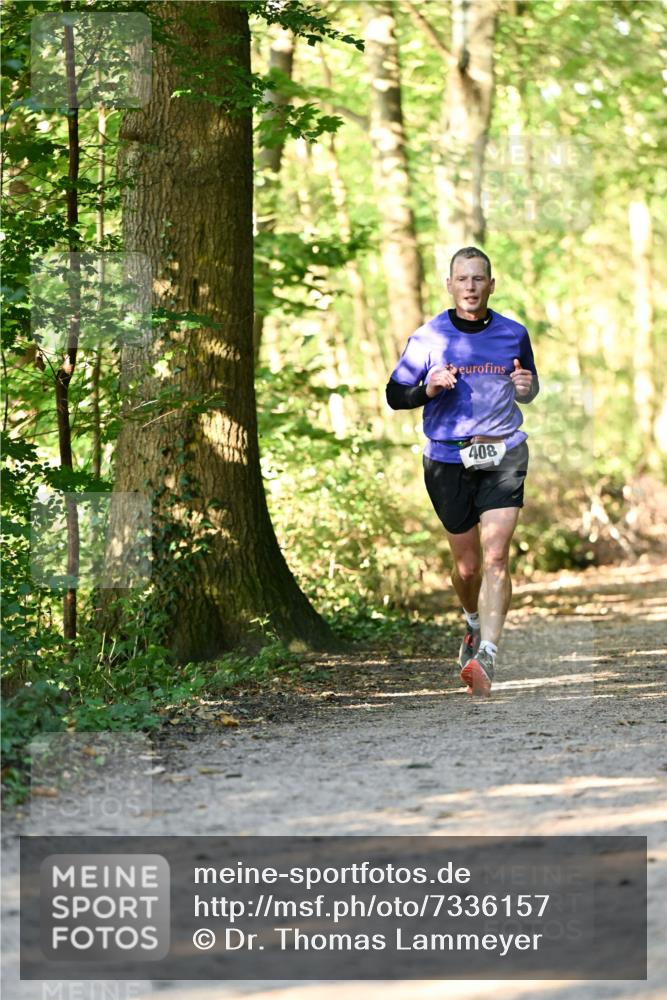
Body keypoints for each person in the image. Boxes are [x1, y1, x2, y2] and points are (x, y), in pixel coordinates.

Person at [386, 247, 539, 696]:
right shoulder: (428, 337)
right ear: (449, 285)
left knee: (496, 556)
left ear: (492, 285)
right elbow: (395, 395)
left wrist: (527, 388)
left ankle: (487, 654)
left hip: (504, 452)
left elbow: (526, 387)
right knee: (469, 569)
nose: (470, 287)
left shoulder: (514, 333)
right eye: (462, 279)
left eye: (478, 279)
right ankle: (472, 621)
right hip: (447, 460)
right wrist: (428, 388)